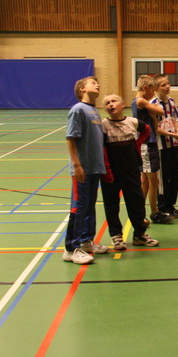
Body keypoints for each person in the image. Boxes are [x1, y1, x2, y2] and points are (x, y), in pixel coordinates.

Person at [99, 94, 159, 251]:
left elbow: (146, 129)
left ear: (123, 104)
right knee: (112, 204)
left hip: (131, 170)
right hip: (111, 173)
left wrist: (137, 144)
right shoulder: (103, 125)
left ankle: (140, 234)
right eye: (107, 103)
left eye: (114, 101)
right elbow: (102, 149)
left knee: (136, 202)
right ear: (105, 109)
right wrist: (107, 171)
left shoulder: (132, 122)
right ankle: (116, 236)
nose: (111, 104)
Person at [62, 76, 109, 265]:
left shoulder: (94, 111)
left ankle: (86, 241)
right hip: (82, 169)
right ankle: (71, 249)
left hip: (94, 168)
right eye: (93, 83)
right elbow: (71, 138)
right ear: (82, 89)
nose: (98, 85)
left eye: (98, 83)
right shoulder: (78, 109)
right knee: (79, 208)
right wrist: (76, 165)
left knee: (89, 206)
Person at [132, 75, 173, 225]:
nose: (153, 94)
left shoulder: (140, 102)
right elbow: (161, 111)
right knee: (153, 181)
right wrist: (154, 109)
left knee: (145, 182)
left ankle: (140, 213)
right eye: (152, 90)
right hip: (147, 144)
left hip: (145, 143)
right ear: (145, 88)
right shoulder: (140, 101)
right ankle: (154, 213)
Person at [152, 74, 178, 219]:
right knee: (163, 178)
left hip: (173, 144)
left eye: (168, 84)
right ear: (156, 88)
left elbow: (175, 120)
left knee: (175, 175)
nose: (167, 87)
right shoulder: (153, 104)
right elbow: (156, 129)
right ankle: (162, 207)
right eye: (163, 85)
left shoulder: (171, 102)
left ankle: (171, 206)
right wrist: (173, 135)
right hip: (161, 146)